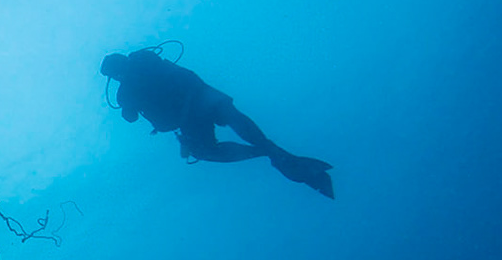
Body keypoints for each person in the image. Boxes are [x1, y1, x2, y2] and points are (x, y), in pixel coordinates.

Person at [100, 49, 334, 198]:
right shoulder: (144, 62)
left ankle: (269, 153)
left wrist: (127, 102)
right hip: (200, 97)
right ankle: (273, 152)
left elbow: (130, 117)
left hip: (190, 111)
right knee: (232, 119)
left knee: (206, 150)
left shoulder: (128, 88)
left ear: (114, 75)